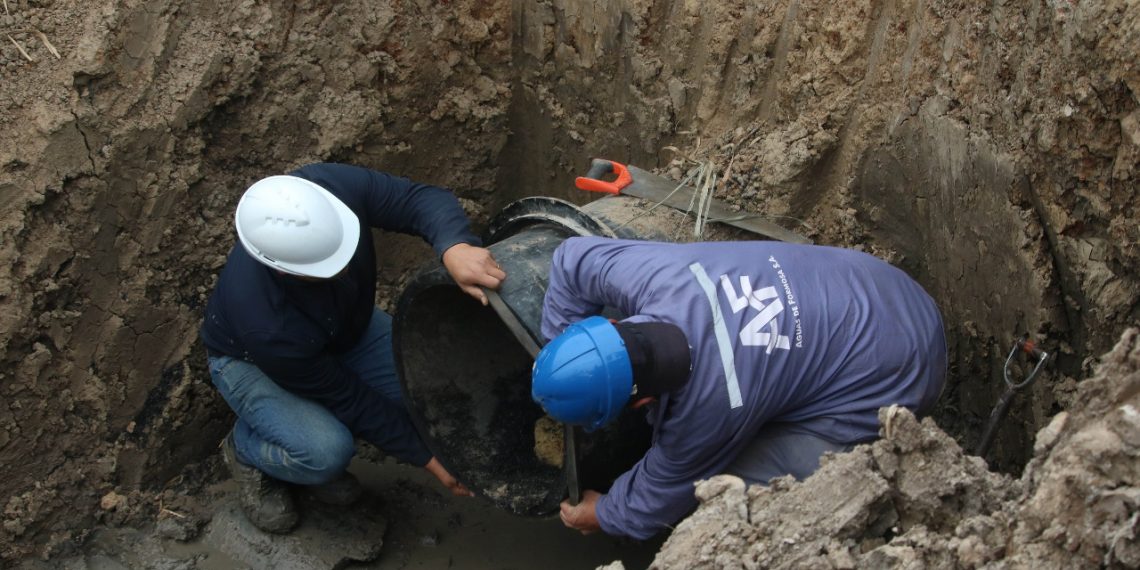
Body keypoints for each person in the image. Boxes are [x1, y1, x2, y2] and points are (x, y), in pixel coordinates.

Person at [530, 237, 946, 540]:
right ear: (614, 324)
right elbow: (571, 259)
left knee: (722, 486)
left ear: (642, 401)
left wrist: (602, 513)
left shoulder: (709, 409)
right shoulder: (661, 277)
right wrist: (563, 354)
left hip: (904, 374)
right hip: (887, 288)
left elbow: (656, 501)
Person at [200, 163, 505, 533]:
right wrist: (426, 459)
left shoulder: (325, 190)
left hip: (346, 327)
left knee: (433, 386)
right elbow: (351, 399)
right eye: (326, 269)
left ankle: (297, 436)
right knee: (326, 453)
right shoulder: (267, 323)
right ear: (282, 270)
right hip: (250, 363)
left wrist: (453, 246)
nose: (344, 271)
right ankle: (247, 449)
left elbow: (419, 199)